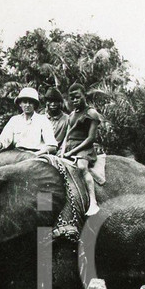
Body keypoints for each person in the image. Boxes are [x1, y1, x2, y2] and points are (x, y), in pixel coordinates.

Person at [59, 83, 104, 216]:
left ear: (85, 96)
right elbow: (67, 135)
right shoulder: (72, 114)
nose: (74, 100)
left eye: (77, 97)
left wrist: (72, 152)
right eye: (72, 98)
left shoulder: (91, 114)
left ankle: (93, 202)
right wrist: (62, 151)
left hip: (84, 148)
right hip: (69, 147)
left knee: (82, 167)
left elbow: (90, 138)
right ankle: (50, 207)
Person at [0, 87, 58, 155]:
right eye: (25, 102)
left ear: (35, 105)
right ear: (20, 104)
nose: (27, 105)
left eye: (30, 102)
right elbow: (3, 141)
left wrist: (35, 154)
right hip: (17, 155)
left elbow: (52, 146)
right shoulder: (14, 120)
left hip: (37, 156)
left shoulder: (43, 120)